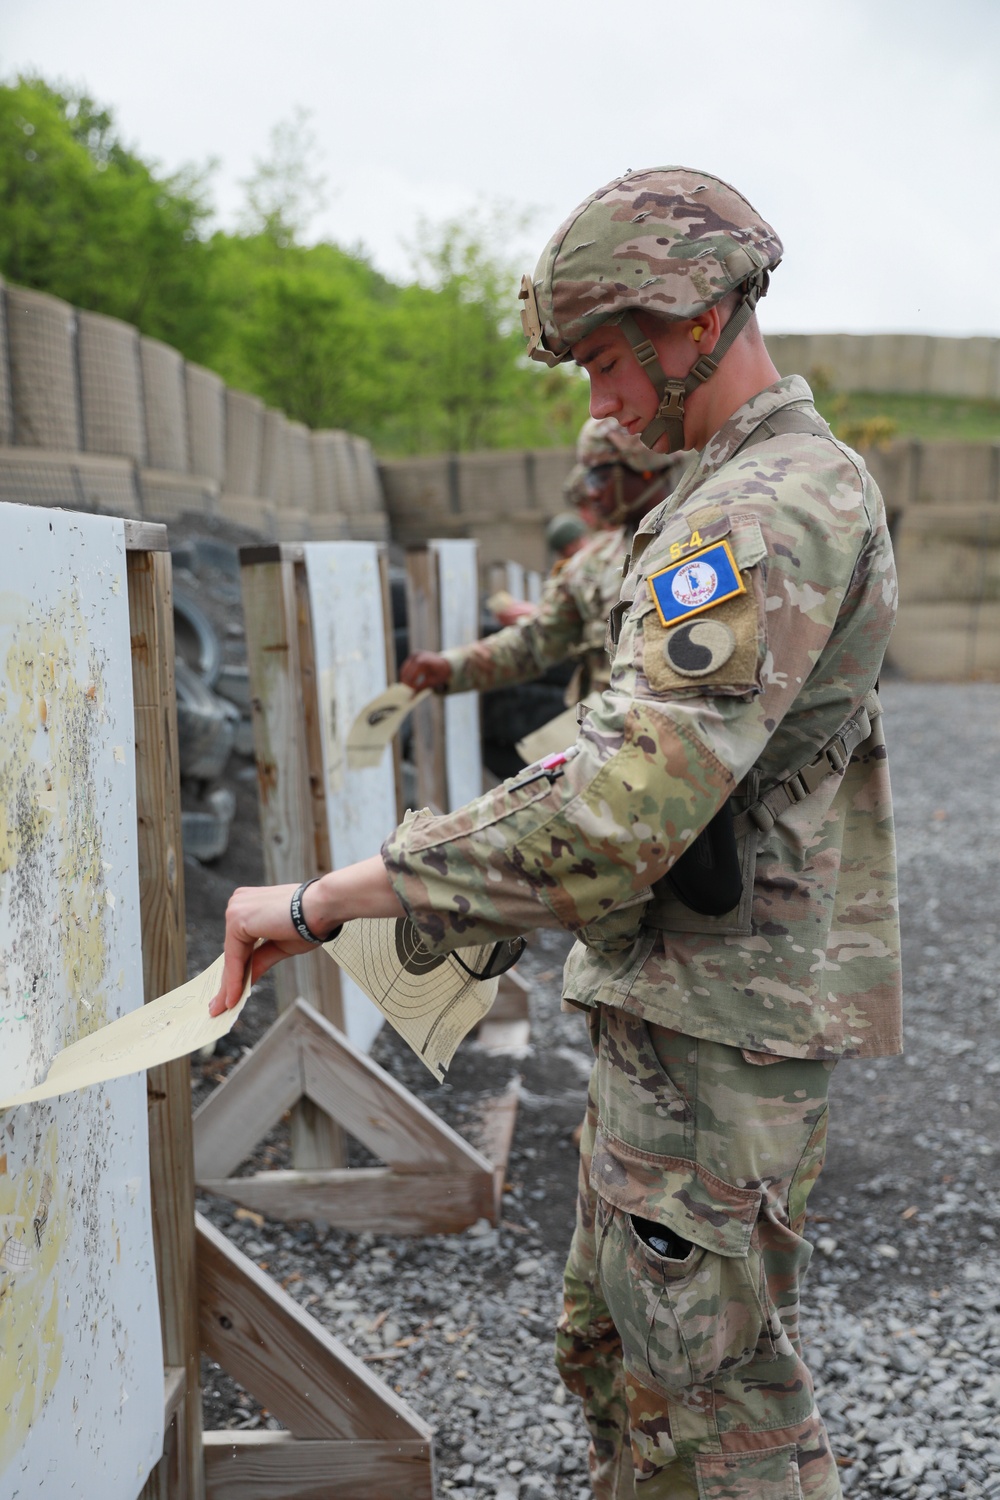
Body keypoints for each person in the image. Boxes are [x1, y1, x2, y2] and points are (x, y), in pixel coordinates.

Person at [212, 165, 901, 1500]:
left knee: (714, 1416)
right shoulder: (718, 494)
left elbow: (611, 813)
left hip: (718, 1037)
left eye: (604, 363)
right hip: (684, 1013)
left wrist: (324, 900)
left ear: (696, 319)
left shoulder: (761, 513)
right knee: (628, 1368)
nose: (600, 405)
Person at [399, 417, 686, 706]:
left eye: (600, 476)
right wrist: (451, 667)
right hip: (615, 736)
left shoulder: (706, 537)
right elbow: (535, 643)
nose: (592, 492)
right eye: (588, 480)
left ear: (645, 468)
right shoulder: (591, 565)